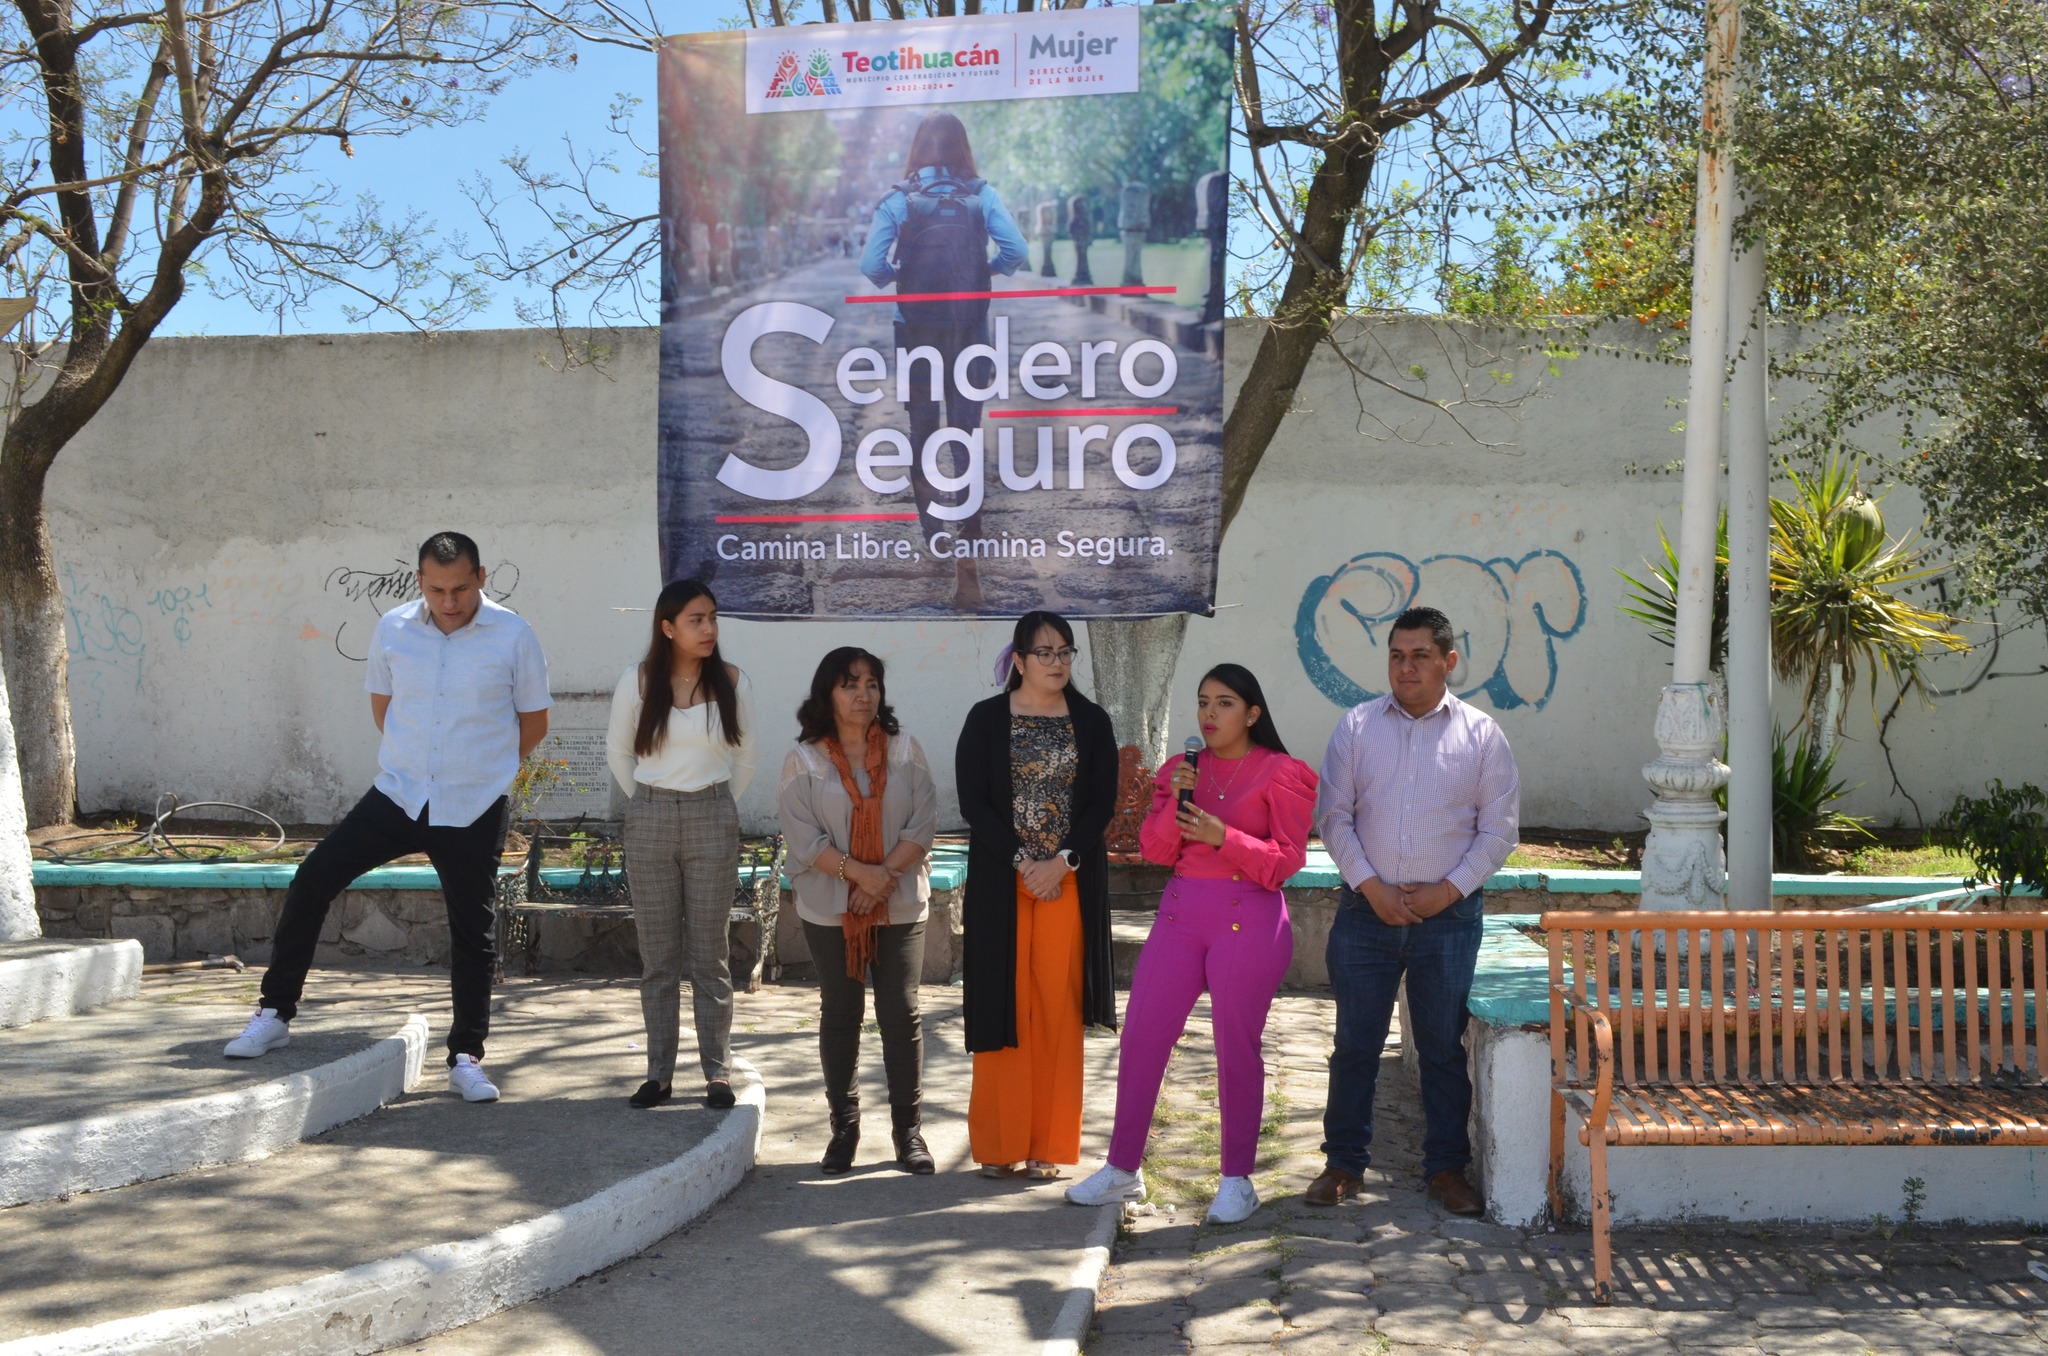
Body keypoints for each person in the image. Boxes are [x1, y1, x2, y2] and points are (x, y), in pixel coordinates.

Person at [224, 532, 550, 1104]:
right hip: (399, 794)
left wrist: (483, 774)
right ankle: (275, 1012)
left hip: (473, 804)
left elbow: (534, 723)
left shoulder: (514, 636)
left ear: (482, 576)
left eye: (461, 588)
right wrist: (418, 765)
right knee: (312, 879)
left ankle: (466, 1057)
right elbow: (384, 709)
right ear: (420, 581)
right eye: (436, 588)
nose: (449, 601)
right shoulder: (394, 628)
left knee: (473, 931)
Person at [1066, 665, 1317, 1224]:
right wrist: (1178, 811)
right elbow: (1155, 850)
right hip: (1180, 916)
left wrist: (1223, 836)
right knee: (1142, 1034)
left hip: (1247, 918)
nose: (1209, 714)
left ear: (1252, 713)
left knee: (1235, 1045)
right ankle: (1122, 1170)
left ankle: (1236, 1179)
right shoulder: (1181, 770)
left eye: (1224, 703)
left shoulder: (1280, 772)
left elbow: (1284, 863)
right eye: (1203, 702)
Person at [1308, 606, 1520, 1217]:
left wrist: (1447, 891)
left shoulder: (1481, 736)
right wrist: (1372, 887)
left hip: (1447, 921)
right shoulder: (1356, 727)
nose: (1407, 667)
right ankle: (1343, 1164)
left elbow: (1498, 833)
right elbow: (1334, 818)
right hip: (1365, 915)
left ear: (1449, 661)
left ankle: (1446, 1170)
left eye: (1420, 655)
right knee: (1354, 1045)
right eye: (1397, 655)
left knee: (1442, 1049)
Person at [955, 612, 1118, 1179]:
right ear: (1019, 661)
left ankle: (1049, 1145)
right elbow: (974, 802)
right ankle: (1001, 1145)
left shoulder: (1092, 722)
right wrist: (1024, 862)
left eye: (1065, 652)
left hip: (1066, 883)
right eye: (1044, 652)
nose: (1057, 662)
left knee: (1056, 1006)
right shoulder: (985, 719)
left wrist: (1061, 861)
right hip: (1006, 881)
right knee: (1007, 1005)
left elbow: (1101, 802)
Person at [777, 648, 939, 1175]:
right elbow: (803, 838)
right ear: (828, 693)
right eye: (850, 684)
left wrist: (879, 879)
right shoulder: (803, 760)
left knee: (901, 1012)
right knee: (841, 1012)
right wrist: (858, 874)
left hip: (899, 904)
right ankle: (844, 1129)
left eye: (871, 684)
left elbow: (921, 824)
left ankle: (907, 1132)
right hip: (829, 908)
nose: (863, 695)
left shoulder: (905, 751)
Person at [859, 110, 1029, 610]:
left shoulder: (898, 199)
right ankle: (969, 543)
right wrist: (985, 268)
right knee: (965, 432)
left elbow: (871, 266)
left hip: (915, 329)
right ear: (962, 148)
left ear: (917, 148)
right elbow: (1016, 250)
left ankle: (932, 530)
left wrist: (898, 276)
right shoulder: (982, 195)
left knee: (923, 429)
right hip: (969, 327)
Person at [605, 579, 757, 1111]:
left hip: (712, 816)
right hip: (649, 818)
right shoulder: (639, 681)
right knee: (658, 957)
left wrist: (710, 804)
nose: (709, 629)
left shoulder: (733, 682)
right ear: (668, 628)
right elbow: (620, 753)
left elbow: (746, 758)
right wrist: (651, 803)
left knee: (710, 954)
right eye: (696, 619)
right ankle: (659, 1074)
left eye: (713, 618)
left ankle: (717, 1073)